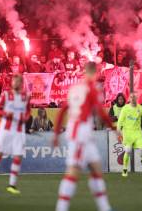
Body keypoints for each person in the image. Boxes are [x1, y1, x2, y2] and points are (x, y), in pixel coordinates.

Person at [53, 62, 118, 211]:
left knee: (96, 168)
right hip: (80, 133)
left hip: (82, 133)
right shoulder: (92, 89)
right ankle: (61, 208)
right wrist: (114, 129)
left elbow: (62, 111)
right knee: (73, 171)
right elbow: (101, 113)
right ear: (95, 73)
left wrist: (56, 134)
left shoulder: (74, 88)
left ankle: (105, 208)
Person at [0, 74, 31, 195]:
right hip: (6, 130)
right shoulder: (5, 95)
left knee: (18, 156)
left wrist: (25, 118)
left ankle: (12, 185)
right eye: (14, 81)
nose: (15, 83)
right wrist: (5, 114)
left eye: (18, 82)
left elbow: (28, 111)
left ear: (21, 84)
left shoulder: (26, 96)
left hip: (19, 131)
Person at [117, 93, 142, 177]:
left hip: (137, 133)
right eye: (131, 97)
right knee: (128, 150)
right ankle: (125, 170)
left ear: (137, 98)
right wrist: (118, 132)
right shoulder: (125, 109)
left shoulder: (141, 109)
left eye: (134, 97)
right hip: (127, 133)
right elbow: (120, 121)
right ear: (129, 98)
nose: (132, 98)